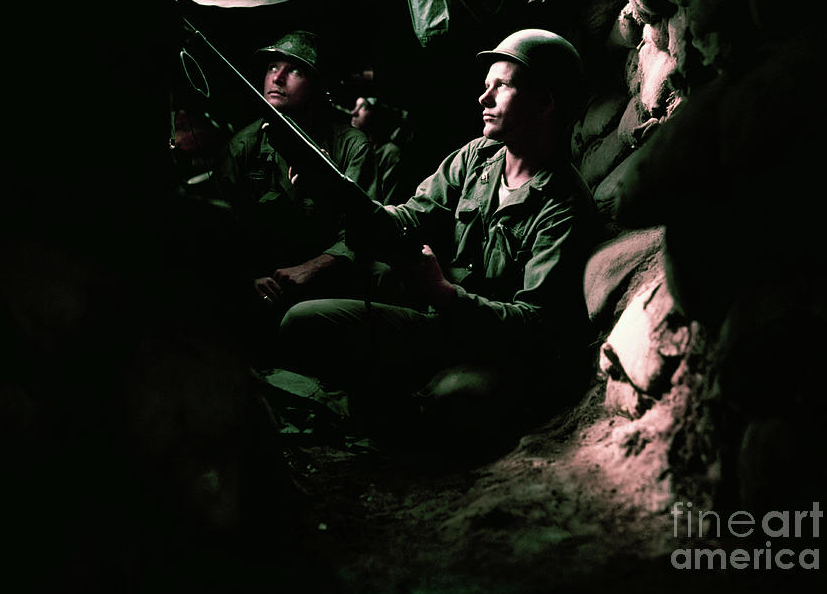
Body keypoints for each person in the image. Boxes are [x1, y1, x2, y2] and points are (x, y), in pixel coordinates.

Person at [278, 29, 600, 453]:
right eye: (486, 86)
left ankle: (402, 407)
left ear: (545, 102)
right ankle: (396, 400)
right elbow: (410, 218)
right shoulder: (476, 157)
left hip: (498, 354)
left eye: (500, 86)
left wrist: (444, 294)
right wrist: (341, 198)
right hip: (440, 326)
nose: (483, 99)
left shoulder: (563, 204)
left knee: (454, 402)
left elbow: (534, 326)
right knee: (302, 323)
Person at [216, 31, 379, 311]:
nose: (277, 79)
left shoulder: (352, 146)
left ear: (317, 85)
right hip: (263, 288)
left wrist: (313, 268)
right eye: (272, 67)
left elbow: (365, 231)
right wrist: (249, 276)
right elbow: (224, 229)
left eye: (294, 70)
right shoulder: (243, 146)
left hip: (332, 284)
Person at [351, 96, 410, 204]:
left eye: (363, 107)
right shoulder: (354, 146)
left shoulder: (391, 153)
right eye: (356, 106)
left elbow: (387, 202)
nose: (354, 112)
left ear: (378, 113)